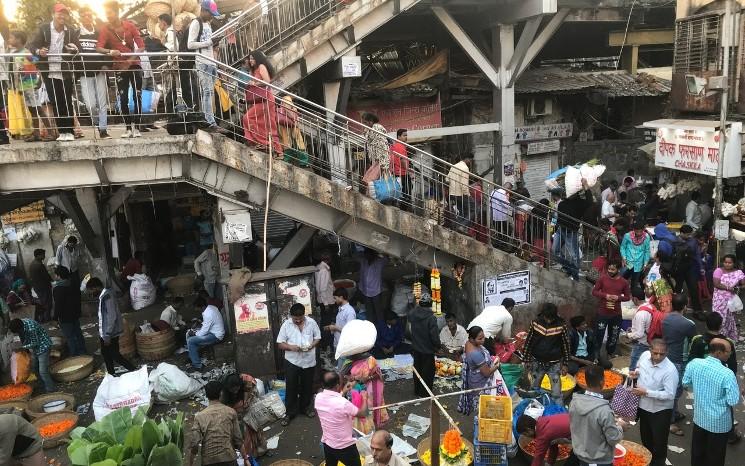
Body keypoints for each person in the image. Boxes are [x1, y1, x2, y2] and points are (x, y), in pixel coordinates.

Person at [682, 338, 740, 466]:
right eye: (728, 352)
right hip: (719, 425)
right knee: (715, 458)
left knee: (697, 455)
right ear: (718, 353)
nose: (730, 354)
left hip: (700, 419)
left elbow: (685, 383)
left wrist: (699, 388)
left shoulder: (694, 363)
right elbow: (733, 400)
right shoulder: (727, 374)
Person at [27, 3, 79, 141]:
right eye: (59, 13)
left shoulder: (71, 30)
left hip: (65, 69)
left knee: (67, 101)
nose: (62, 16)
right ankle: (62, 132)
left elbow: (77, 48)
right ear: (53, 14)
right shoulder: (43, 28)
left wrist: (73, 48)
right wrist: (39, 51)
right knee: (56, 101)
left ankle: (70, 131)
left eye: (65, 13)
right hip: (49, 70)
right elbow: (31, 45)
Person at [688, 312, 741, 444]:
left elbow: (692, 359)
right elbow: (733, 366)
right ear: (721, 325)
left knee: (702, 402)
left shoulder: (698, 340)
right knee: (724, 406)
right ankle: (730, 434)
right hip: (722, 381)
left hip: (702, 379)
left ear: (706, 324)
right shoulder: (727, 343)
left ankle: (703, 430)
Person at [96, 1, 145, 138]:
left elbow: (141, 46)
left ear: (116, 12)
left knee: (137, 95)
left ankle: (138, 127)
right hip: (119, 66)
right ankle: (128, 128)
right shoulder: (105, 29)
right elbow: (98, 47)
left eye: (109, 13)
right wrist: (110, 51)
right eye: (106, 14)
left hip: (134, 64)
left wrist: (129, 61)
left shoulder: (129, 26)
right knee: (123, 98)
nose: (107, 16)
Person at [628, 339, 678, 466]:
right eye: (655, 353)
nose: (658, 356)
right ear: (650, 350)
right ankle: (648, 459)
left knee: (659, 441)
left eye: (662, 354)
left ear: (667, 353)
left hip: (660, 411)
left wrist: (646, 392)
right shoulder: (644, 356)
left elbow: (670, 394)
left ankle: (658, 462)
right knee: (646, 437)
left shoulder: (670, 371)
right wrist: (636, 374)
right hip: (643, 407)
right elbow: (639, 368)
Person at [569, 365, 625, 466]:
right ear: (602, 382)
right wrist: (620, 427)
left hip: (580, 455)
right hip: (599, 460)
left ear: (585, 381)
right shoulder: (604, 410)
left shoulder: (574, 402)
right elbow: (613, 439)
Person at [276, 303, 320, 426]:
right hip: (292, 361)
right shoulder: (286, 325)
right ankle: (290, 412)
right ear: (291, 316)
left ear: (304, 315)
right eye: (296, 318)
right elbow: (280, 343)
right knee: (291, 386)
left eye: (300, 318)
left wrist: (312, 345)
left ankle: (305, 408)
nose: (298, 320)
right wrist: (290, 347)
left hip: (308, 360)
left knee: (307, 385)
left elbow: (318, 337)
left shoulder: (311, 323)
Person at [315, 371, 366, 466]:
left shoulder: (318, 397)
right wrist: (365, 396)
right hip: (345, 447)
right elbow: (363, 413)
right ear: (338, 385)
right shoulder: (343, 403)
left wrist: (343, 392)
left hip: (328, 444)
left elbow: (333, 403)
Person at [7, 30, 50, 143]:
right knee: (32, 110)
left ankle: (51, 132)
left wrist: (38, 79)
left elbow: (36, 63)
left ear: (19, 39)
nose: (9, 40)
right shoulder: (15, 52)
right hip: (23, 86)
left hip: (30, 85)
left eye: (11, 38)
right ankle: (36, 134)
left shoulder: (26, 52)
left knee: (38, 109)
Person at [86, 277, 135, 375]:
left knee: (115, 355)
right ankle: (111, 374)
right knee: (106, 354)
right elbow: (104, 316)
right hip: (106, 332)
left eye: (91, 290)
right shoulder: (103, 296)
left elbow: (111, 317)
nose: (91, 293)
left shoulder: (107, 297)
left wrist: (107, 334)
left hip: (110, 332)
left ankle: (133, 369)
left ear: (96, 287)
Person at [523, 303, 571, 403]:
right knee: (534, 388)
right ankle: (532, 408)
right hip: (537, 362)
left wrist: (565, 364)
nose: (549, 320)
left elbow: (566, 345)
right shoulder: (535, 323)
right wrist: (526, 359)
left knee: (556, 393)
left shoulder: (561, 325)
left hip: (554, 364)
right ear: (543, 315)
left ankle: (557, 413)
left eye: (551, 318)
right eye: (547, 318)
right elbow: (529, 341)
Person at [187, 380, 243, 466]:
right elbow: (238, 439)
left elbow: (194, 444)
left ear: (206, 395)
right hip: (228, 458)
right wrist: (246, 459)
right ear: (221, 393)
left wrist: (190, 464)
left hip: (208, 461)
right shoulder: (230, 412)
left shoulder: (199, 416)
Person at [662, 293, 696, 436]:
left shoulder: (666, 319)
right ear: (685, 306)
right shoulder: (688, 324)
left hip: (667, 356)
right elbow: (693, 342)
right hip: (679, 360)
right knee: (674, 392)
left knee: (671, 389)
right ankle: (670, 421)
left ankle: (673, 413)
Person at [77, 7, 110, 139]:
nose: (87, 18)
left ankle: (103, 129)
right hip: (84, 73)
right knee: (90, 104)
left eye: (89, 15)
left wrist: (106, 64)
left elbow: (107, 47)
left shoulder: (99, 32)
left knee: (102, 102)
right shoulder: (76, 33)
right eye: (84, 15)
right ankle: (96, 121)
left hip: (99, 71)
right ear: (80, 17)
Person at [457, 326, 503, 415]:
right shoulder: (476, 354)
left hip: (473, 377)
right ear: (471, 339)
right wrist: (497, 365)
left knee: (479, 405)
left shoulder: (468, 344)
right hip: (480, 383)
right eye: (479, 339)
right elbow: (486, 373)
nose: (483, 340)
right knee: (482, 407)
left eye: (483, 337)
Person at [243, 50, 282, 149]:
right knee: (267, 123)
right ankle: (275, 149)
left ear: (257, 58)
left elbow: (267, 81)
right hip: (260, 99)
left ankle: (261, 142)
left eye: (252, 58)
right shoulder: (253, 70)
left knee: (249, 118)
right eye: (250, 58)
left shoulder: (261, 67)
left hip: (266, 98)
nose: (250, 60)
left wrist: (255, 83)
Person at [591, 261, 631, 359]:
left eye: (613, 269)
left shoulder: (624, 282)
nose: (610, 271)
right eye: (609, 269)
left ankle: (610, 354)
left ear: (618, 270)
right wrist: (606, 295)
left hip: (616, 314)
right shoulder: (602, 278)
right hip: (602, 312)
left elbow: (627, 297)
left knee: (613, 335)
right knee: (599, 335)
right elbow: (594, 292)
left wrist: (618, 298)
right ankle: (596, 354)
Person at [555, 180, 593, 280]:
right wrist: (555, 229)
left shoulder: (580, 203)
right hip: (560, 230)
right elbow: (559, 217)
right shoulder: (562, 203)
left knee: (574, 255)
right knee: (555, 251)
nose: (566, 194)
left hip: (571, 232)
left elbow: (590, 201)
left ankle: (574, 275)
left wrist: (585, 185)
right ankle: (569, 268)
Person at [343, 351, 389, 434]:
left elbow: (378, 374)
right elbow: (345, 377)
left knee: (373, 406)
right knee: (361, 409)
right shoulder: (348, 361)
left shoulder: (370, 359)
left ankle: (374, 424)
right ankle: (365, 429)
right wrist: (352, 379)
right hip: (356, 390)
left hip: (371, 387)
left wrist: (368, 378)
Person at [222, 373, 263, 460]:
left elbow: (254, 393)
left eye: (236, 389)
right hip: (236, 413)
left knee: (256, 429)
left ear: (240, 385)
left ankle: (260, 450)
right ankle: (248, 456)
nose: (235, 391)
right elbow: (224, 408)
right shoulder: (224, 394)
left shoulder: (247, 382)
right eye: (232, 390)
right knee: (243, 435)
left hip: (248, 407)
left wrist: (248, 402)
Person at [8, 318, 55, 392]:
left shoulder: (31, 328)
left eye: (18, 331)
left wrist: (22, 347)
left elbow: (35, 343)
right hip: (36, 349)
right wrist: (25, 349)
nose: (18, 333)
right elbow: (22, 337)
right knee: (35, 369)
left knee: (43, 371)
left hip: (43, 347)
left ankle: (51, 389)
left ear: (20, 328)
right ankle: (42, 386)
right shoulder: (20, 324)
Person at [408, 292, 440, 397]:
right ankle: (425, 393)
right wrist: (437, 346)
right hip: (427, 350)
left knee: (417, 370)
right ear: (430, 304)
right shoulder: (431, 318)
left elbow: (409, 330)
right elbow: (434, 336)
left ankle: (417, 391)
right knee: (427, 373)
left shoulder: (412, 314)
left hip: (416, 348)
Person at [710, 254, 744, 341]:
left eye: (730, 262)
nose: (727, 264)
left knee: (730, 317)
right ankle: (718, 336)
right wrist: (729, 288)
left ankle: (730, 336)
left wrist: (739, 287)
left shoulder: (738, 272)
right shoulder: (719, 271)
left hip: (731, 300)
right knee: (719, 318)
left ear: (734, 263)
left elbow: (743, 283)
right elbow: (716, 284)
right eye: (725, 262)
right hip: (719, 299)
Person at [52, 266, 85, 356]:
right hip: (75, 314)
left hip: (65, 317)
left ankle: (74, 354)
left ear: (59, 276)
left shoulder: (58, 289)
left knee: (70, 336)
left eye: (55, 274)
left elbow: (58, 305)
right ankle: (82, 351)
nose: (54, 276)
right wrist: (78, 312)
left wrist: (55, 318)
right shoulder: (73, 284)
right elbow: (78, 299)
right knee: (78, 333)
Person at [673, 225, 704, 319]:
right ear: (681, 233)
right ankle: (675, 310)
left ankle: (697, 310)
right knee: (677, 289)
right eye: (687, 235)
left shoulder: (693, 241)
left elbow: (697, 254)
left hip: (690, 267)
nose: (689, 236)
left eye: (690, 234)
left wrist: (701, 267)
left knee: (694, 289)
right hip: (679, 268)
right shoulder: (675, 241)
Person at [187, 296, 225, 371]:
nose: (196, 309)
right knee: (192, 334)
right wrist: (198, 325)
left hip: (216, 336)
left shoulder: (208, 314)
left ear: (202, 307)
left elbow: (203, 332)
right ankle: (192, 356)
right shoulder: (211, 307)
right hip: (213, 331)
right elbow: (206, 324)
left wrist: (194, 333)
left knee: (190, 341)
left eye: (196, 308)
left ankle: (198, 365)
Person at [324, 288, 356, 366]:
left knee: (343, 370)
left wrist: (334, 327)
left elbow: (349, 330)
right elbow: (341, 324)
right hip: (338, 343)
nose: (335, 301)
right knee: (339, 368)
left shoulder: (350, 311)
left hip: (345, 346)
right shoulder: (340, 308)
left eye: (335, 298)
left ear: (341, 297)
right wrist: (332, 326)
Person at [628, 286, 656, 371]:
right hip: (650, 341)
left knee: (634, 367)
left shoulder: (641, 314)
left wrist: (629, 335)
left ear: (635, 299)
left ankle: (632, 383)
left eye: (632, 298)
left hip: (642, 344)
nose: (631, 300)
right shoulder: (650, 306)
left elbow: (639, 334)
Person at [357, 249, 387, 323]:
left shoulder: (380, 262)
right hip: (365, 291)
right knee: (369, 310)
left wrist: (379, 254)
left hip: (375, 291)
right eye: (366, 255)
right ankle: (371, 325)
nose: (367, 257)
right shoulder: (363, 261)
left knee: (378, 310)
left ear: (373, 255)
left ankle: (381, 326)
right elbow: (356, 255)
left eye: (369, 255)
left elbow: (387, 257)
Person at [620, 221, 650, 292]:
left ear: (643, 230)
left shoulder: (646, 237)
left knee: (635, 281)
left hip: (639, 263)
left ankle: (633, 295)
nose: (639, 234)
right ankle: (620, 291)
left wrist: (645, 263)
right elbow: (623, 247)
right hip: (628, 261)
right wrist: (623, 258)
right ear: (634, 230)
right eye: (637, 231)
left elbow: (647, 251)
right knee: (622, 278)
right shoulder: (627, 236)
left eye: (641, 231)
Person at [446, 154, 473, 228]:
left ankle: (457, 227)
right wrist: (468, 195)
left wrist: (454, 184)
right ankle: (461, 226)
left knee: (462, 211)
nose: (470, 162)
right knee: (475, 209)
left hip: (452, 193)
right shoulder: (465, 168)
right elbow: (463, 185)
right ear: (466, 159)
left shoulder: (453, 166)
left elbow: (447, 179)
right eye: (470, 160)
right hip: (461, 194)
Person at [28, 249, 53, 323]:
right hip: (43, 287)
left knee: (43, 302)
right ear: (38, 255)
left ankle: (44, 318)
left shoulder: (32, 264)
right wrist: (52, 281)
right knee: (47, 303)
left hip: (38, 287)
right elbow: (46, 276)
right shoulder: (39, 265)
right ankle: (47, 318)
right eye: (43, 255)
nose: (44, 256)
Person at [389, 129, 411, 208]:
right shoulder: (400, 146)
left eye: (406, 135)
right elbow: (402, 160)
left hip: (397, 173)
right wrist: (408, 170)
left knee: (401, 191)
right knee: (406, 192)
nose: (406, 137)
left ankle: (400, 206)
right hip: (402, 173)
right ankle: (404, 209)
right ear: (398, 136)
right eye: (404, 135)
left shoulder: (396, 145)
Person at [490, 182, 514, 250]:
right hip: (502, 217)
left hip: (495, 216)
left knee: (499, 231)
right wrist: (508, 199)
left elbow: (490, 201)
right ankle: (503, 246)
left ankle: (500, 245)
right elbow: (506, 204)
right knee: (508, 230)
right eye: (510, 190)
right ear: (509, 189)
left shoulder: (494, 191)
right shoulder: (503, 193)